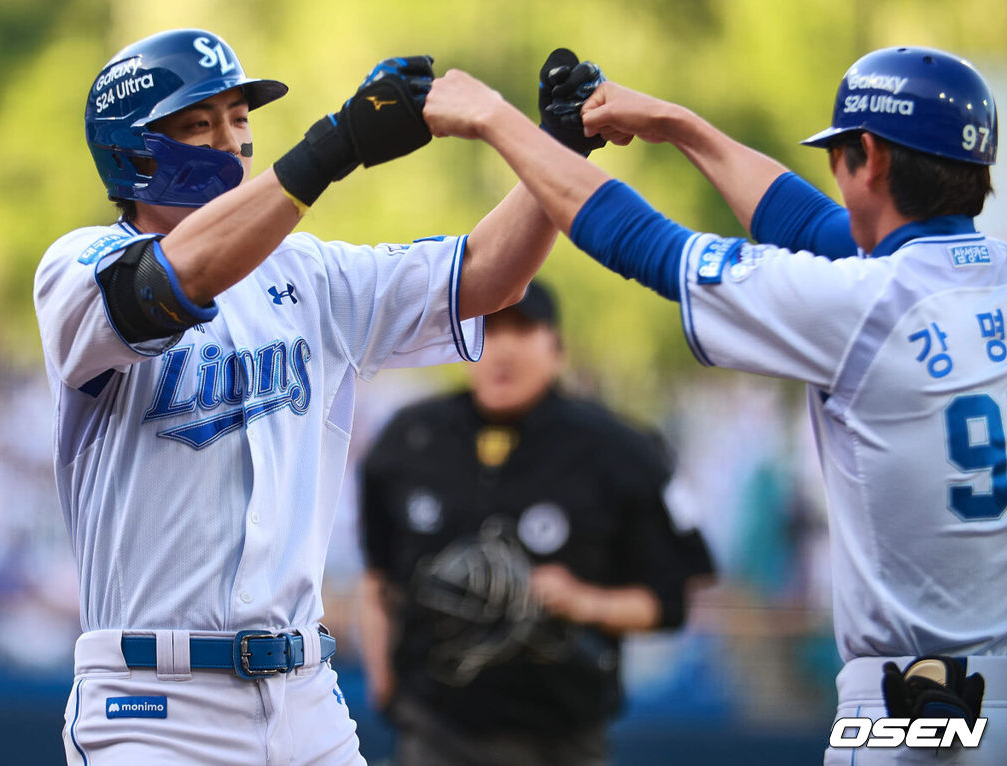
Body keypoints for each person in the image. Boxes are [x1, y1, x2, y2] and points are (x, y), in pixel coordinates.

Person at [421, 46, 1007, 763]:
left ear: (872, 158)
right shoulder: (964, 278)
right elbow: (820, 230)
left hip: (920, 714)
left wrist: (498, 122)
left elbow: (642, 241)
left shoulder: (861, 303)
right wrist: (680, 127)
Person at [33, 28, 574, 766]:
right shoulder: (77, 266)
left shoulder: (310, 275)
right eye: (199, 122)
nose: (230, 140)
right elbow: (162, 286)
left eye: (240, 118)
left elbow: (485, 277)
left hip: (305, 697)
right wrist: (333, 147)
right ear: (133, 150)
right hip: (153, 705)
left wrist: (557, 153)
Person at [358, 279, 713, 766]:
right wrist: (386, 687)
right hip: (436, 730)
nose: (503, 348)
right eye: (489, 330)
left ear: (557, 349)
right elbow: (378, 581)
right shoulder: (409, 439)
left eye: (522, 330)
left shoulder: (622, 451)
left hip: (562, 737)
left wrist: (585, 601)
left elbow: (674, 597)